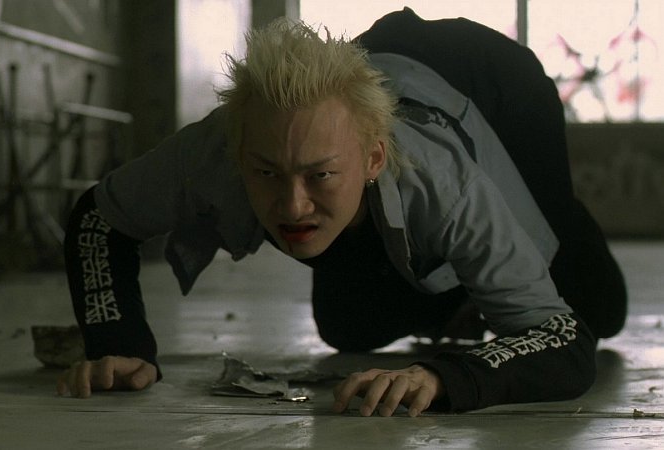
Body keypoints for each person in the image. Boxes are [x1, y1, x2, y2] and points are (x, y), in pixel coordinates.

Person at [55, 8, 627, 416]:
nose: (292, 206)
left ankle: (492, 270)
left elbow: (562, 337)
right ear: (237, 153)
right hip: (389, 90)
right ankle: (449, 287)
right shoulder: (214, 148)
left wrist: (443, 377)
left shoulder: (444, 183)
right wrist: (119, 343)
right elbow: (100, 218)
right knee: (351, 329)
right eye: (266, 173)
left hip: (499, 86)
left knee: (594, 307)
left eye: (320, 175)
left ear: (373, 158)